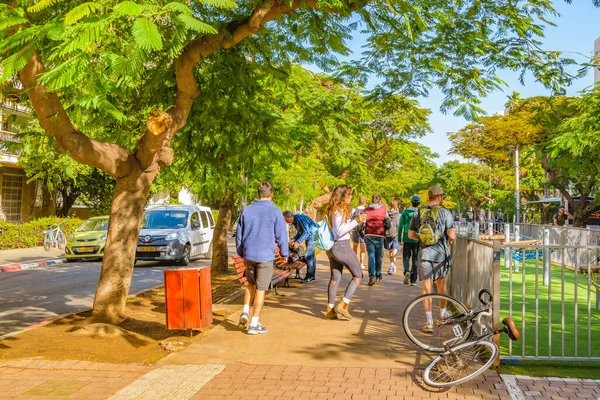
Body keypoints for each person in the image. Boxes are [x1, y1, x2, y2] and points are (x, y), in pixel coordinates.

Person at [236, 181, 289, 335]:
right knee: (261, 290)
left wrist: (242, 253)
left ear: (258, 193)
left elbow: (239, 236)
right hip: (265, 257)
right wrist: (284, 254)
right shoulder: (275, 211)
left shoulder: (247, 210)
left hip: (249, 256)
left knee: (250, 285)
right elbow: (282, 236)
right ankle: (254, 324)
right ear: (271, 194)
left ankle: (245, 312)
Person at [408, 186, 456, 334]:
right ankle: (442, 314)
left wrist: (423, 239)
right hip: (441, 255)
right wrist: (448, 240)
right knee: (441, 285)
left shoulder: (419, 212)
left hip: (424, 254)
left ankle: (428, 321)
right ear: (440, 197)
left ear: (429, 197)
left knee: (426, 288)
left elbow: (410, 235)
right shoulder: (445, 213)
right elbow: (452, 235)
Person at [324, 185, 367, 320]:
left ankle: (330, 310)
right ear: (342, 195)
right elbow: (339, 231)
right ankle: (343, 305)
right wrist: (356, 221)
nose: (351, 197)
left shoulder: (332, 209)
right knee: (358, 275)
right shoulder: (339, 210)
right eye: (348, 194)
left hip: (332, 248)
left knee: (335, 278)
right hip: (341, 246)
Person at [364, 194, 391, 286]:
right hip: (379, 235)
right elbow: (388, 224)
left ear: (371, 200)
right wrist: (384, 229)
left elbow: (361, 224)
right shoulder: (384, 211)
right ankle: (378, 273)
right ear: (380, 201)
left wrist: (363, 233)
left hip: (369, 235)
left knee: (371, 256)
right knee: (378, 257)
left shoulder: (366, 210)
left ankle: (372, 276)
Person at [283, 211, 317, 283]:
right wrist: (294, 239)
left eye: (286, 220)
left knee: (308, 256)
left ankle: (309, 277)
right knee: (311, 256)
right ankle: (312, 276)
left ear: (290, 217)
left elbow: (307, 232)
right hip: (311, 236)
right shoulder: (295, 220)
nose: (286, 222)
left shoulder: (299, 219)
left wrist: (298, 242)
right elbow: (300, 232)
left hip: (312, 236)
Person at [399, 195, 420, 285]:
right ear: (418, 203)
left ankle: (406, 271)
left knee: (406, 256)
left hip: (407, 237)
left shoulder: (405, 212)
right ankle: (413, 279)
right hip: (417, 238)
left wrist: (399, 238)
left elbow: (400, 226)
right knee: (415, 258)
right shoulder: (420, 213)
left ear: (411, 202)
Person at [385, 200, 401, 275]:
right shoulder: (398, 215)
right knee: (394, 251)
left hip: (388, 235)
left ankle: (392, 265)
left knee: (390, 251)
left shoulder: (387, 214)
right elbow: (399, 225)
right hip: (395, 235)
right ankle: (392, 265)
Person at [351, 196, 367, 270]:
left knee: (355, 246)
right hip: (363, 230)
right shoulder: (366, 210)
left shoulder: (354, 210)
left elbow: (351, 219)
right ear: (365, 202)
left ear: (358, 201)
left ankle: (355, 262)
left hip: (355, 229)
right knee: (362, 246)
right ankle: (361, 263)